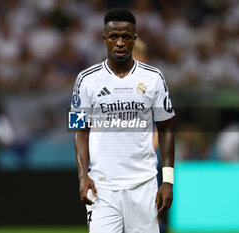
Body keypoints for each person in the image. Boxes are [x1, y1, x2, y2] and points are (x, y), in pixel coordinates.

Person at [71, 8, 175, 233]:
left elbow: (167, 129)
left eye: (126, 37)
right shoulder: (86, 80)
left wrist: (167, 180)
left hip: (143, 186)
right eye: (113, 37)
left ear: (134, 39)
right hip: (102, 187)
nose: (119, 42)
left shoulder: (154, 78)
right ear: (104, 39)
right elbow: (79, 130)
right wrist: (83, 176)